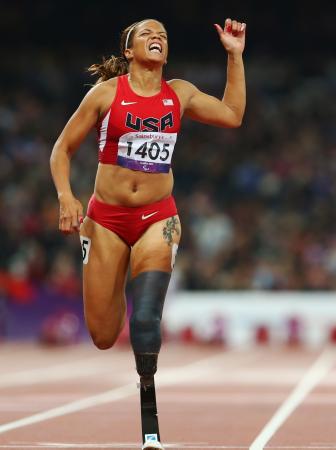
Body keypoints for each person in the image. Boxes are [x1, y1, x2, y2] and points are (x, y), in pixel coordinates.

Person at [49, 18, 246, 449]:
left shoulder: (180, 92)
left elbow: (232, 115)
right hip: (105, 221)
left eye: (164, 36)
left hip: (159, 216)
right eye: (147, 34)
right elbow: (62, 149)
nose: (158, 38)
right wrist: (66, 196)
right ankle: (112, 277)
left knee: (144, 320)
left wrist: (234, 55)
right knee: (103, 335)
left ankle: (150, 428)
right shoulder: (105, 94)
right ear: (128, 49)